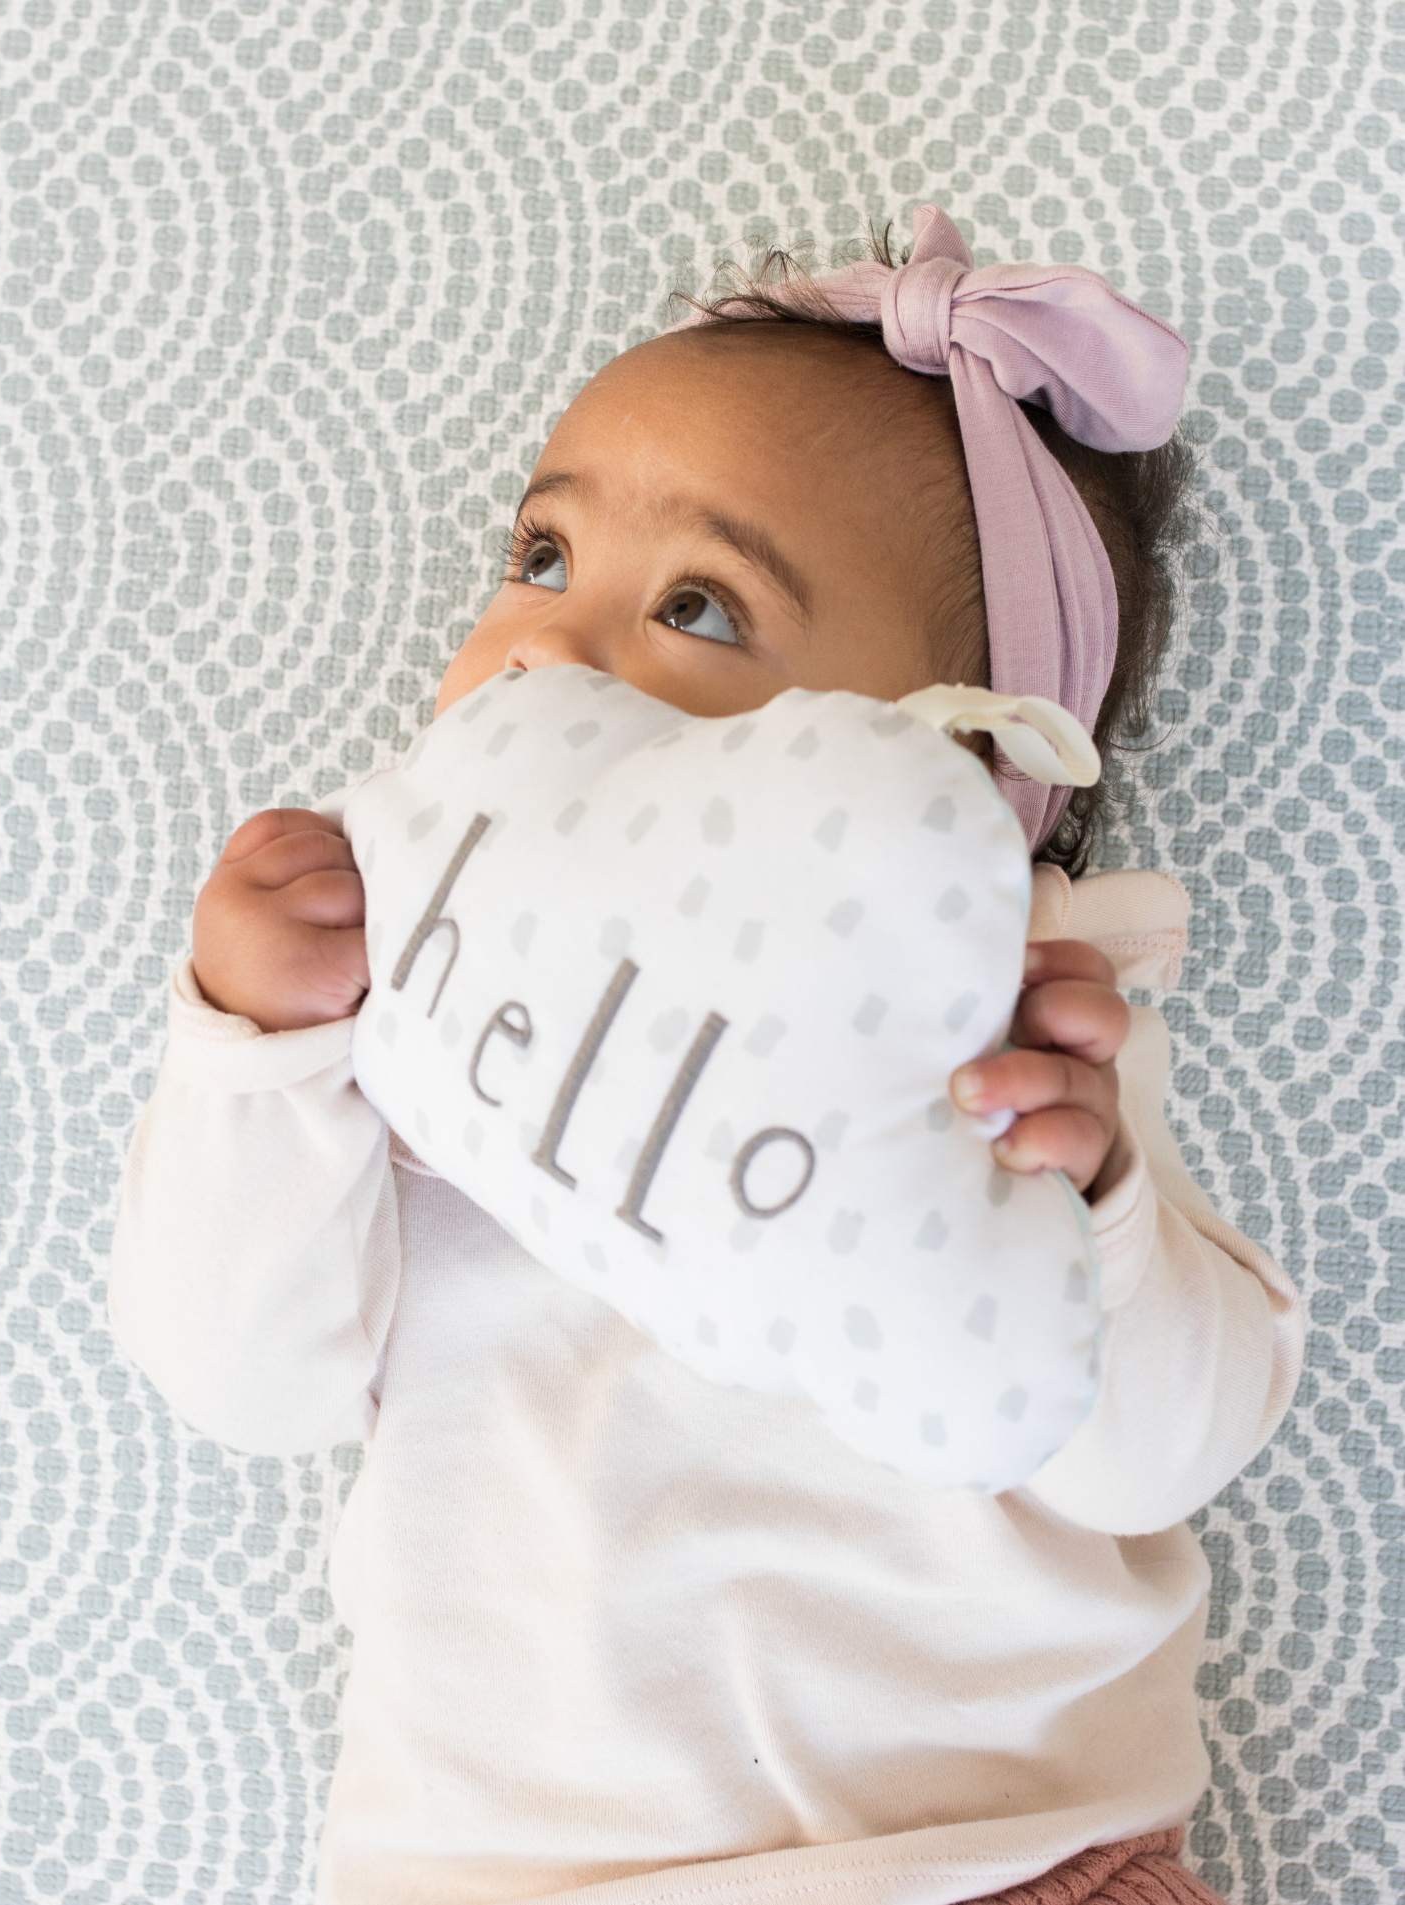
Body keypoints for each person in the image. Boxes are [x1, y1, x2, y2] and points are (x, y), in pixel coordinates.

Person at [108, 206, 1301, 1905]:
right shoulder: (400, 1006)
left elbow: (1167, 1446)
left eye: (699, 606)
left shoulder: (1020, 1032)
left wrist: (1097, 1200)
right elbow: (238, 1377)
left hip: (995, 1856)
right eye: (539, 558)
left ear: (958, 775)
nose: (542, 650)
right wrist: (254, 1051)